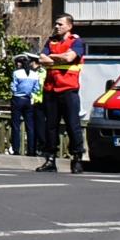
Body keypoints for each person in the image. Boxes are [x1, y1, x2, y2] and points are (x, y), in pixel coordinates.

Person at [37, 13, 87, 173]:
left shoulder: (76, 41)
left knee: (73, 126)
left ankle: (77, 159)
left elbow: (69, 58)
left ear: (69, 26)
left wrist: (53, 57)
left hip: (68, 89)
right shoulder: (50, 41)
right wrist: (58, 57)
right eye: (56, 24)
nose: (56, 27)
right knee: (50, 127)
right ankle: (50, 159)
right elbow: (41, 59)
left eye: (60, 24)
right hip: (50, 89)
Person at [8, 54, 42, 156]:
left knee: (16, 125)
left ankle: (16, 149)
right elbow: (37, 89)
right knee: (30, 126)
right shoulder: (34, 74)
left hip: (18, 99)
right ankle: (31, 150)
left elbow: (13, 87)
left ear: (19, 63)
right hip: (28, 99)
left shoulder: (16, 73)